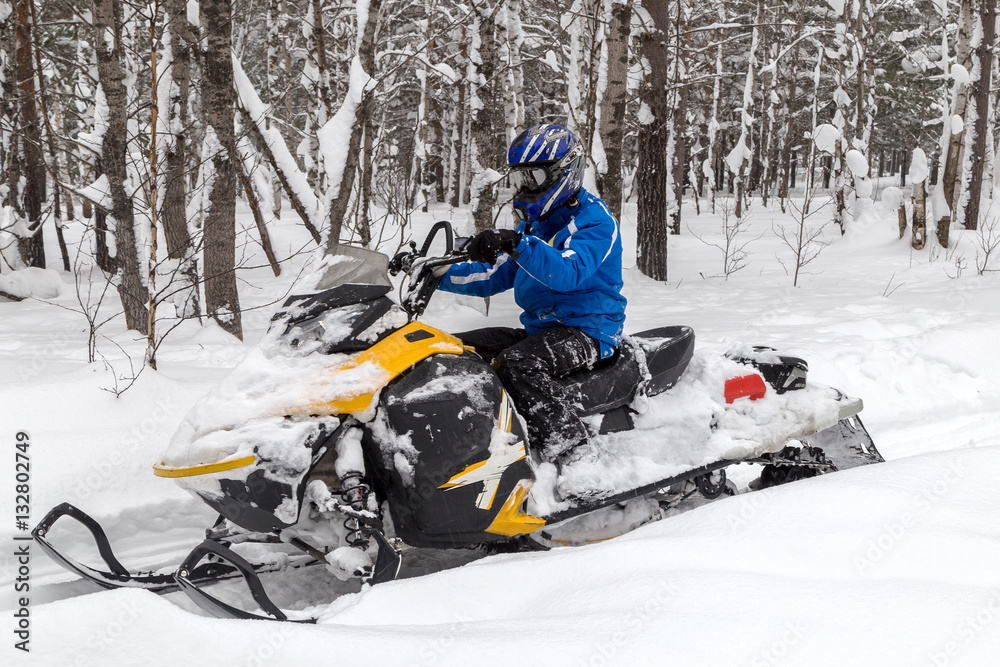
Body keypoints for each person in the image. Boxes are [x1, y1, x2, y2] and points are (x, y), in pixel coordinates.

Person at [438, 123, 626, 466]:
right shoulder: (535, 225)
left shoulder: (595, 221)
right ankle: (473, 448)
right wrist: (435, 274)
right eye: (519, 179)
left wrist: (517, 243)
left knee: (518, 362)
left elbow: (567, 273)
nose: (524, 187)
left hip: (590, 331)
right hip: (543, 330)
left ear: (563, 173)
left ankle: (575, 455)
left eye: (533, 178)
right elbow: (495, 276)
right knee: (449, 348)